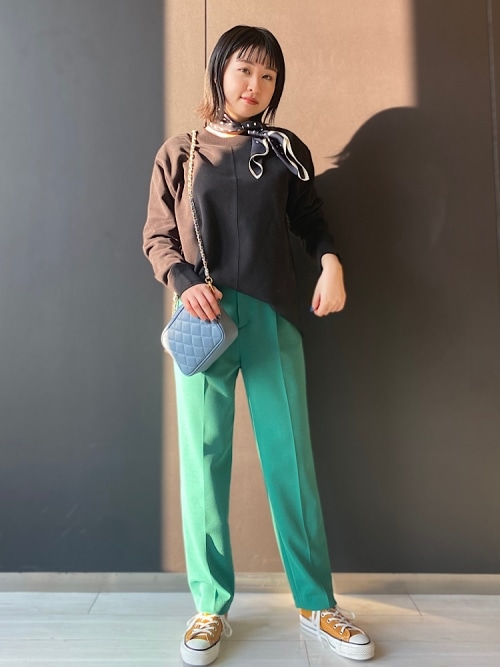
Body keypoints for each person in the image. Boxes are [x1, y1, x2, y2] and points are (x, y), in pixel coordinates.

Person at [143, 24, 374, 665]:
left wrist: (331, 263)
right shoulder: (181, 152)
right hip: (204, 322)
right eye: (245, 69)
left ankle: (317, 603)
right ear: (220, 70)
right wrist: (185, 282)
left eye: (268, 75)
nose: (255, 84)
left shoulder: (284, 151)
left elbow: (311, 221)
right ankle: (209, 608)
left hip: (274, 319)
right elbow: (157, 237)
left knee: (291, 461)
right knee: (204, 461)